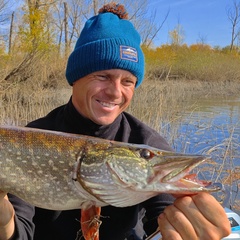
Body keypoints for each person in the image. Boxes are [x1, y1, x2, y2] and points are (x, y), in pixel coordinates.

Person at [0, 3, 231, 240]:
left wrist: (184, 227)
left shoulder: (145, 140)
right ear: (75, 79)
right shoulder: (30, 139)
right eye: (103, 76)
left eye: (128, 81)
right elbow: (20, 232)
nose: (115, 92)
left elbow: (162, 216)